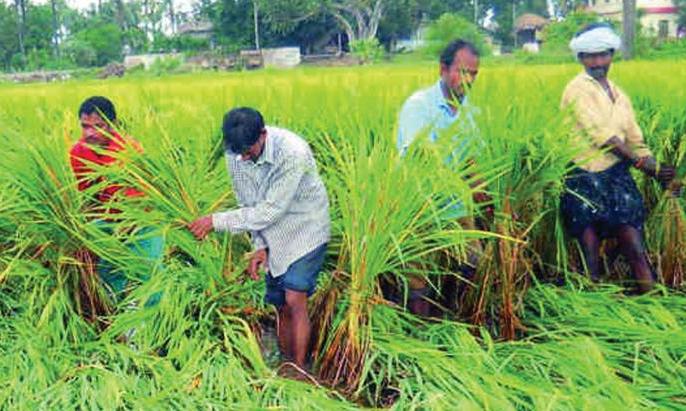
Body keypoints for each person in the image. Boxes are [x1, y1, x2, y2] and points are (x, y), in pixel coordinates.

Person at [188, 107, 330, 374]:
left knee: (294, 296)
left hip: (305, 226)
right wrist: (259, 246)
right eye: (237, 152)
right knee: (278, 303)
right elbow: (248, 203)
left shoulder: (292, 153)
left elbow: (269, 210)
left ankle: (299, 371)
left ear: (263, 135)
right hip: (270, 231)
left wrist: (214, 221)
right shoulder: (237, 153)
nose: (242, 157)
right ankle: (284, 363)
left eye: (248, 151)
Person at [560, 23, 677, 292]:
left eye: (603, 54)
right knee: (590, 254)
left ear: (612, 54)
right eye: (590, 55)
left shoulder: (619, 94)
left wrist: (659, 168)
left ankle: (651, 300)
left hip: (615, 176)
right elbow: (604, 137)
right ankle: (590, 311)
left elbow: (634, 139)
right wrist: (642, 164)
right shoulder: (577, 89)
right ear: (580, 58)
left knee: (634, 244)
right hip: (583, 176)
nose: (597, 61)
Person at [396, 39, 487, 316]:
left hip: (455, 204)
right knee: (418, 274)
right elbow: (420, 157)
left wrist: (484, 192)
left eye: (473, 73)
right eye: (462, 71)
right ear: (443, 70)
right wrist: (457, 184)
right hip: (420, 204)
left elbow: (470, 159)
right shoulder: (419, 106)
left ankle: (452, 314)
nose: (467, 79)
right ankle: (420, 332)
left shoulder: (470, 111)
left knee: (473, 259)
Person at [70, 96, 163, 316]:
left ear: (113, 125)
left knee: (149, 277)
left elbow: (141, 201)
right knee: (109, 275)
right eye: (85, 127)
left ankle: (152, 327)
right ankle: (116, 322)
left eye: (98, 127)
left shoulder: (128, 150)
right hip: (107, 220)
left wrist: (126, 229)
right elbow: (89, 196)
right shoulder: (78, 153)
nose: (90, 133)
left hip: (142, 220)